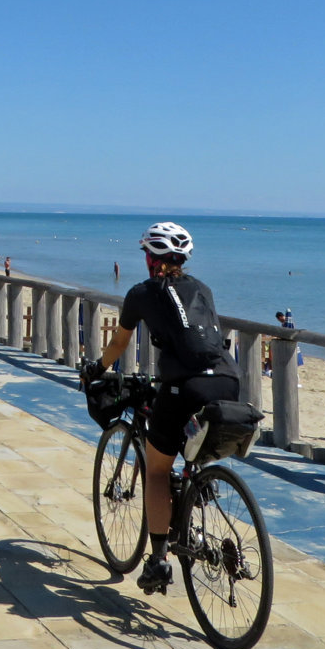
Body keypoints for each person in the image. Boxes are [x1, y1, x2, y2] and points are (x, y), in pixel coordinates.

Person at [80, 222, 238, 596]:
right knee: (188, 450)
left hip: (183, 386)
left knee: (155, 470)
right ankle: (195, 488)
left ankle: (160, 560)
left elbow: (119, 344)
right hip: (228, 382)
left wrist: (96, 370)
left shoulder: (141, 294)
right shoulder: (204, 289)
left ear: (151, 259)